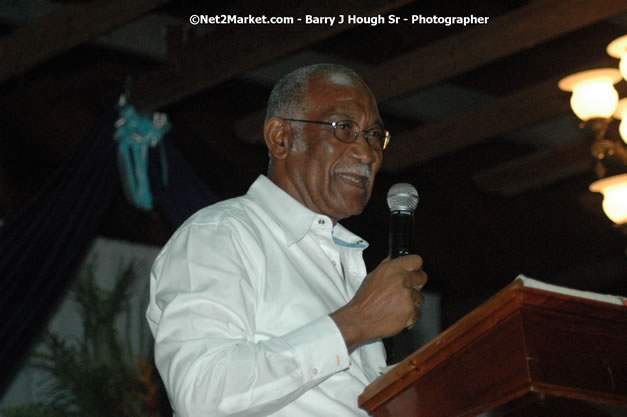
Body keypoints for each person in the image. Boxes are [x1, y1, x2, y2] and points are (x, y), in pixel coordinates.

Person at [146, 63, 428, 416]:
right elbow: (201, 393)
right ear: (281, 137)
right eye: (344, 128)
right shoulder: (220, 234)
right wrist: (355, 322)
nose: (367, 153)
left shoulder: (344, 261)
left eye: (374, 135)